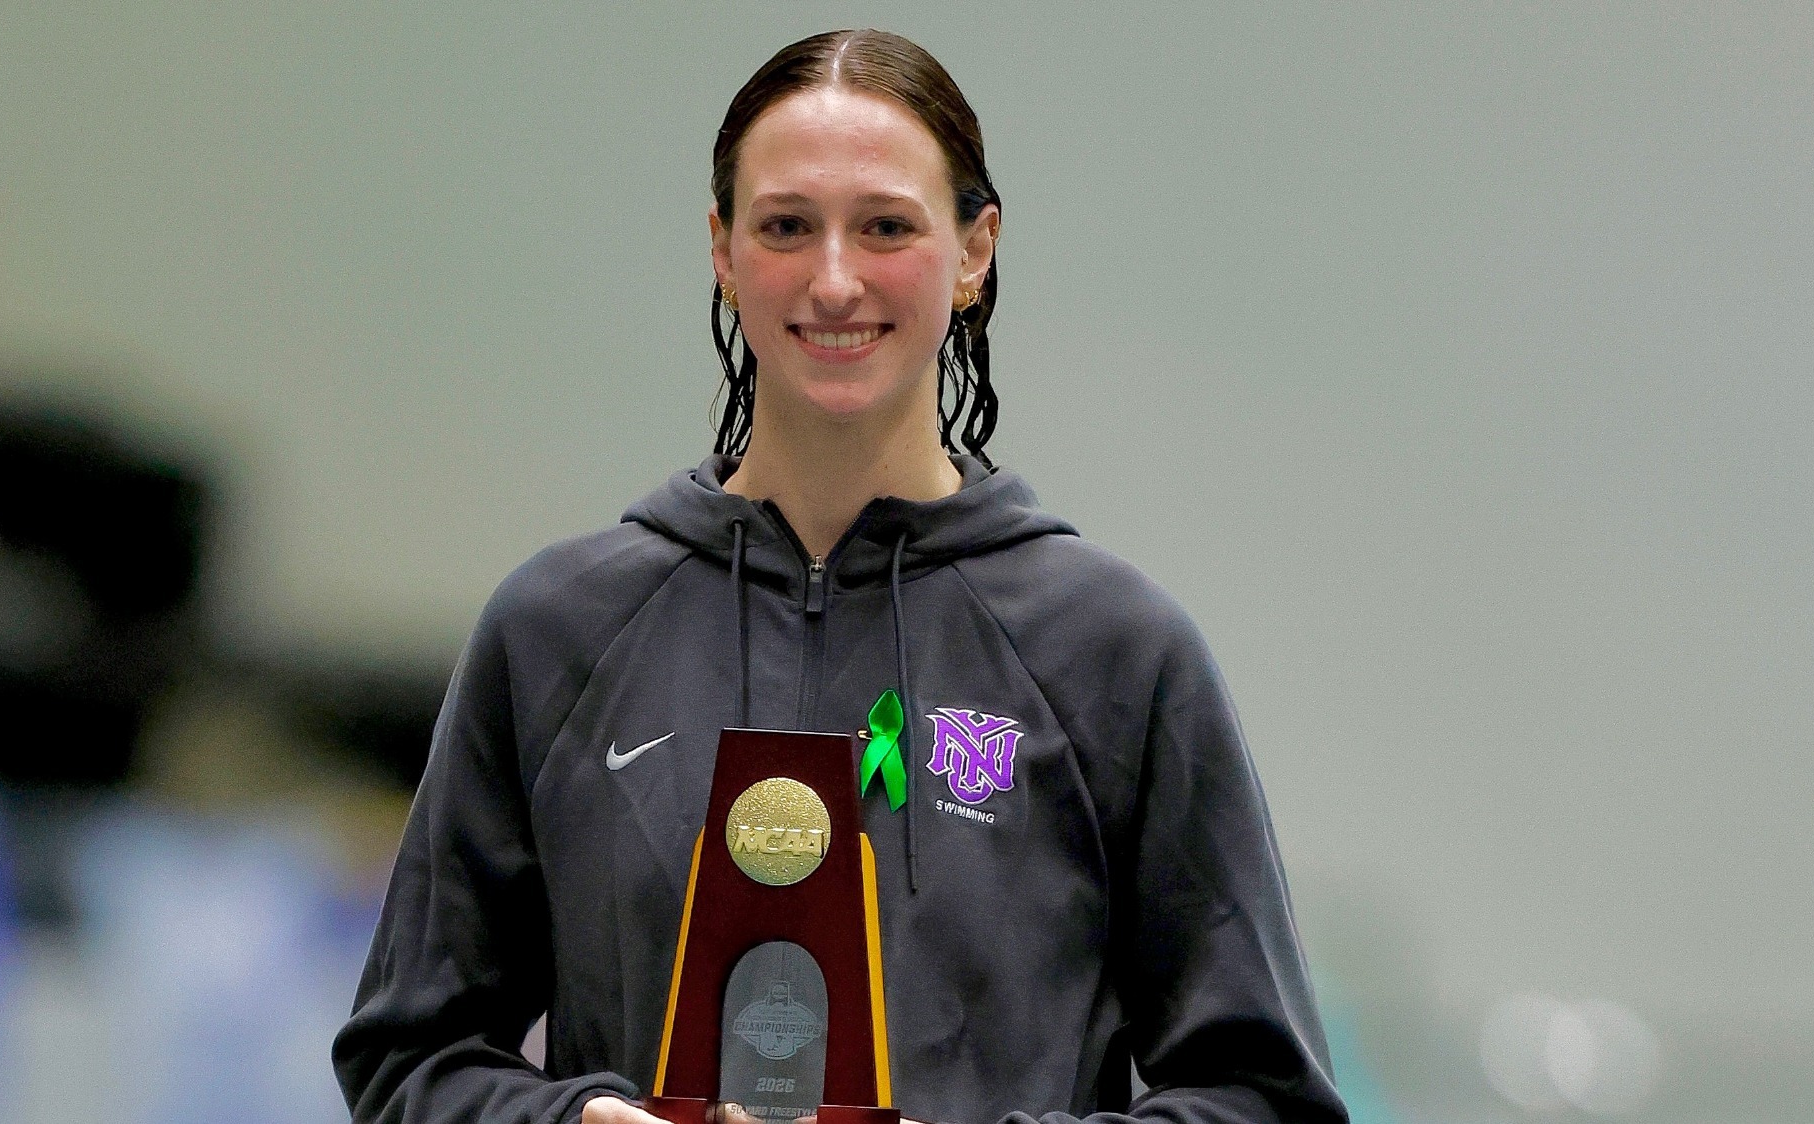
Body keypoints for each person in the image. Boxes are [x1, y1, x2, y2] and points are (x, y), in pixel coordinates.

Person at [334, 28, 1347, 1124]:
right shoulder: (555, 630)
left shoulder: (1112, 650)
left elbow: (1265, 1100)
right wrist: (565, 1122)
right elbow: (407, 1059)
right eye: (784, 226)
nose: (832, 279)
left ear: (973, 251)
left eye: (884, 226)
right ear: (720, 250)